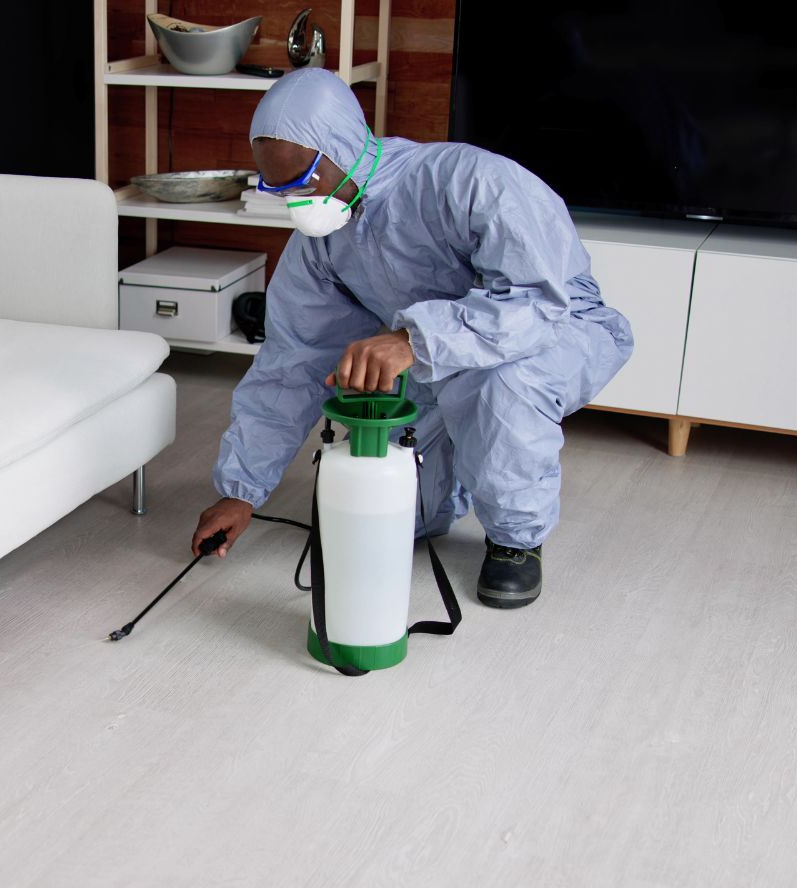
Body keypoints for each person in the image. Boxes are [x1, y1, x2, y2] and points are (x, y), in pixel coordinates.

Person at [191, 69, 634, 609]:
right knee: (402, 506)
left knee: (503, 389)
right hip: (436, 355)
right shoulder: (322, 244)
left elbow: (538, 303)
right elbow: (292, 361)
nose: (295, 199)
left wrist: (410, 340)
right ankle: (461, 479)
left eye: (303, 180)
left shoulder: (470, 180)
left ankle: (517, 539)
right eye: (279, 187)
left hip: (555, 331)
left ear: (342, 147)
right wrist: (240, 492)